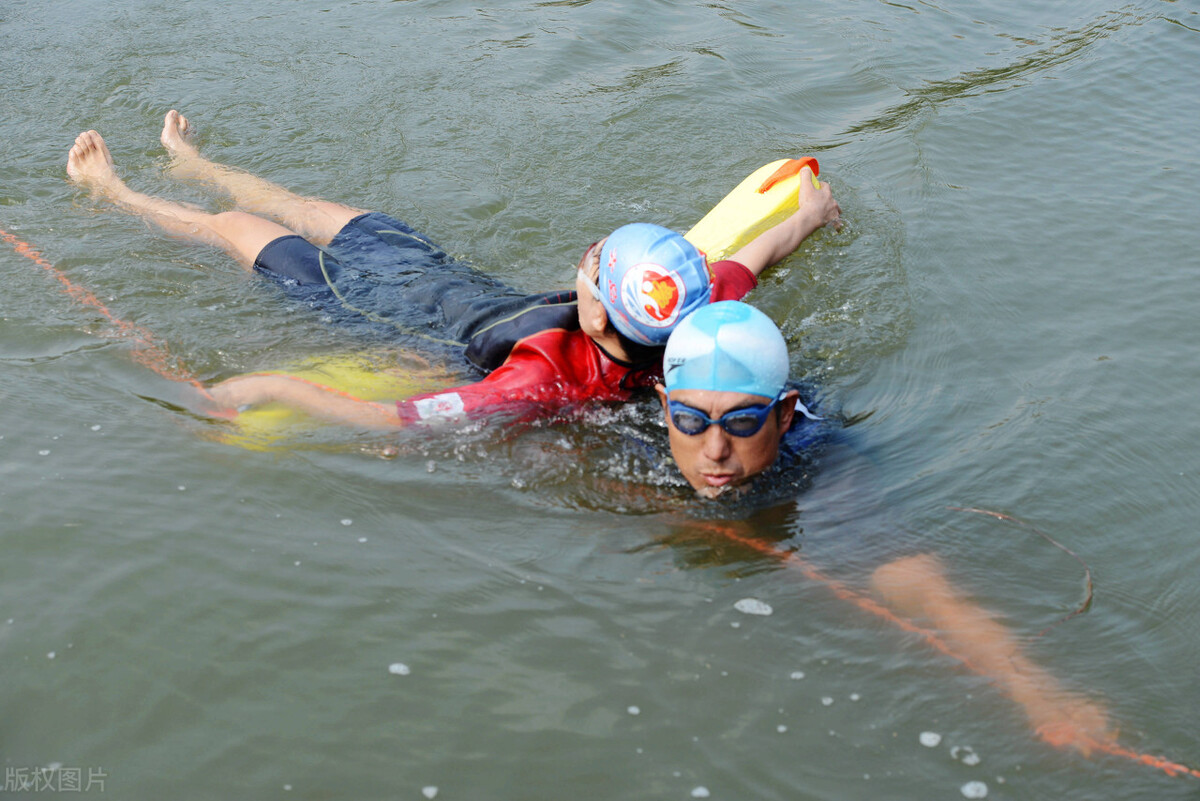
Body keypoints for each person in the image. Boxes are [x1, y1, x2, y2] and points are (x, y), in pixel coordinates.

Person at [66, 111, 842, 428]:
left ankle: (114, 191)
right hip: (438, 273)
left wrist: (268, 386)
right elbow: (749, 257)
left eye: (592, 266)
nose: (585, 262)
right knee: (310, 206)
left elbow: (401, 420)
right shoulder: (697, 317)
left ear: (600, 312)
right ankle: (194, 162)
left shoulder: (541, 381)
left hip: (378, 308)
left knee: (239, 229)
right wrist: (808, 215)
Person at [656, 300, 1116, 755]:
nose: (714, 449)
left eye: (741, 421)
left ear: (783, 414)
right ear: (664, 410)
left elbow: (920, 584)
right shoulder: (630, 434)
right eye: (690, 421)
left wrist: (1039, 693)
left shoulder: (828, 471)